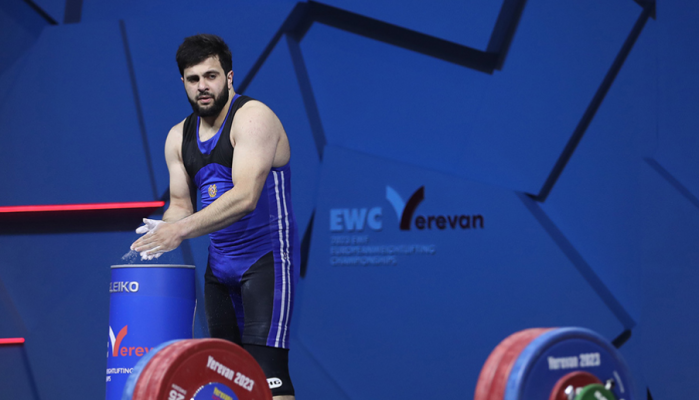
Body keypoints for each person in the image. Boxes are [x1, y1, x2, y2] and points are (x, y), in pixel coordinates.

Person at [131, 34, 299, 399]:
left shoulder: (253, 118)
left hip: (266, 263)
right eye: (193, 79)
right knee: (226, 380)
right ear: (183, 82)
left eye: (211, 76)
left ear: (229, 76)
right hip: (219, 270)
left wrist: (180, 231)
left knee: (268, 377)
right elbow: (180, 205)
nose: (202, 86)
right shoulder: (177, 137)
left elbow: (245, 197)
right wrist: (163, 228)